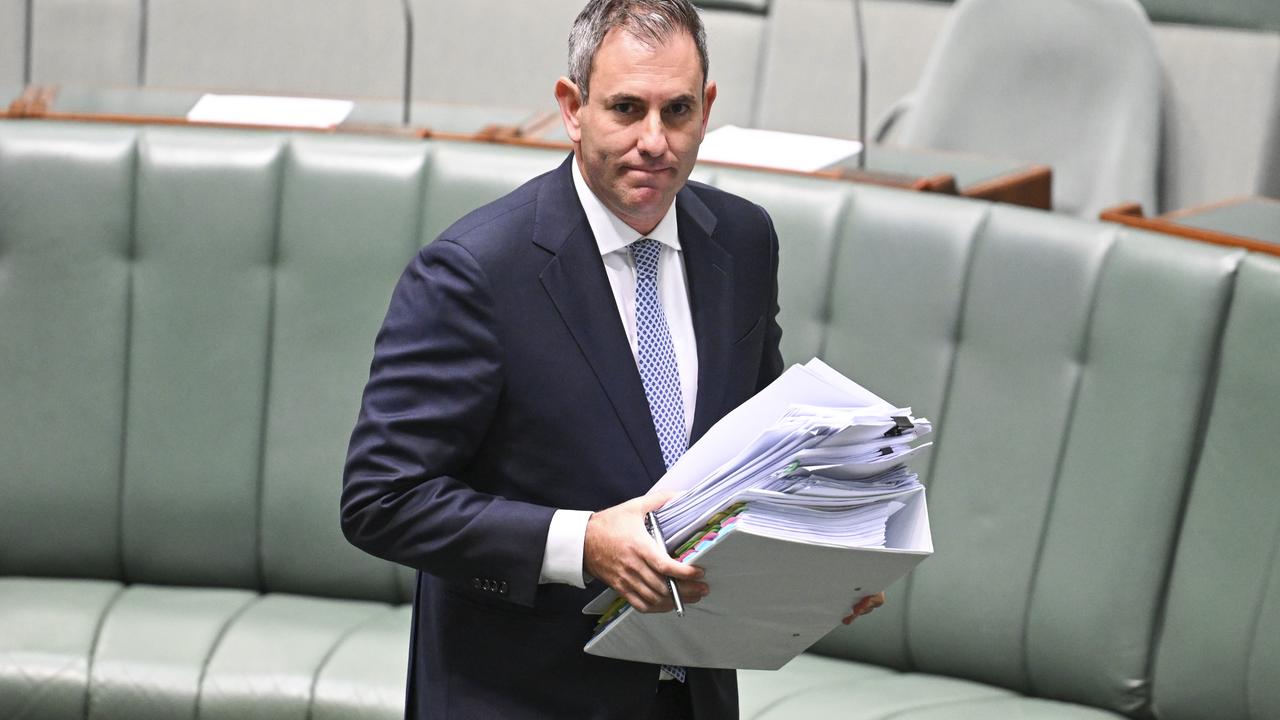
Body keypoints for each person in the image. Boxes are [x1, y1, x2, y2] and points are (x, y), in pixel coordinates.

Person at [341, 1, 881, 717]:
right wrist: (583, 543)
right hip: (520, 697)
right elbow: (381, 499)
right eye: (627, 109)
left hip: (693, 695)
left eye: (677, 111)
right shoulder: (476, 273)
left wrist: (820, 562)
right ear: (573, 108)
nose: (654, 141)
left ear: (707, 107)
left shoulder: (743, 243)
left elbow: (756, 448)